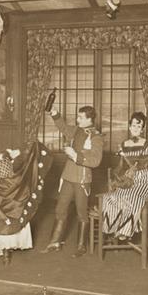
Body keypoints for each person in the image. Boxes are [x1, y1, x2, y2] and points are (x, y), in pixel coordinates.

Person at [42, 105, 103, 257]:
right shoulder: (76, 130)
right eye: (78, 116)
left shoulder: (96, 137)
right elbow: (63, 128)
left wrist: (75, 155)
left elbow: (96, 161)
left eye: (81, 117)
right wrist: (55, 114)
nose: (77, 119)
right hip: (68, 176)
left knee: (81, 212)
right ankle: (54, 242)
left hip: (82, 178)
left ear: (89, 119)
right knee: (60, 208)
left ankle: (81, 246)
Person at [0, 142, 51, 265]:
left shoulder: (6, 153)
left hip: (18, 190)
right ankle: (5, 251)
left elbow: (21, 160)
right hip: (3, 193)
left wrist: (24, 153)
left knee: (16, 213)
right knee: (4, 218)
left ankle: (14, 245)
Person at [101, 112, 148, 241]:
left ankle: (125, 231)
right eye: (133, 125)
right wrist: (115, 179)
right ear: (129, 127)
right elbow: (120, 167)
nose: (136, 128)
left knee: (133, 195)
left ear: (143, 129)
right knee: (110, 197)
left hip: (145, 179)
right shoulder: (123, 145)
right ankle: (112, 227)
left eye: (139, 126)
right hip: (129, 178)